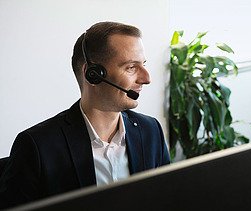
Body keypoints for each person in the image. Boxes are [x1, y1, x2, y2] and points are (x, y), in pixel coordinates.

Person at [0, 21, 170, 209]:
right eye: (131, 67)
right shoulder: (37, 146)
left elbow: (167, 198)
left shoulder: (150, 131)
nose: (146, 78)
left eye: (143, 65)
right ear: (93, 75)